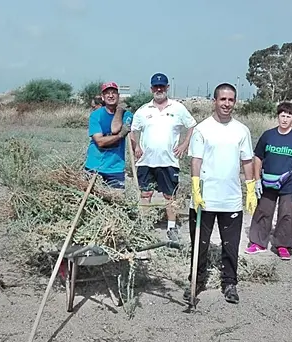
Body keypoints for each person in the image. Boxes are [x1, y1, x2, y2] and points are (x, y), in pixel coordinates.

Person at [183, 83, 258, 305]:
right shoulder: (202, 129)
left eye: (230, 100)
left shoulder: (241, 130)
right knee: (200, 244)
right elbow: (195, 160)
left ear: (235, 102)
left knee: (230, 244)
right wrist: (195, 188)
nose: (226, 104)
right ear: (214, 101)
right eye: (222, 99)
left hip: (231, 199)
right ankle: (196, 281)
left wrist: (251, 189)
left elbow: (247, 161)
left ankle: (229, 283)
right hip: (204, 198)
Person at [130, 72, 197, 241]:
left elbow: (192, 126)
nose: (159, 89)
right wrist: (136, 145)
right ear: (151, 88)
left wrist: (184, 144)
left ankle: (171, 228)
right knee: (146, 194)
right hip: (146, 161)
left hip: (169, 161)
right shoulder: (143, 110)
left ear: (167, 87)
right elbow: (132, 130)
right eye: (156, 86)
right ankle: (144, 227)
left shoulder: (178, 108)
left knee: (169, 196)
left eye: (162, 86)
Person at [244, 101, 292, 260]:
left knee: (287, 213)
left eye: (288, 116)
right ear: (278, 116)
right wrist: (257, 179)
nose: (285, 119)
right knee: (263, 211)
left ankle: (283, 245)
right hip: (268, 181)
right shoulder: (268, 135)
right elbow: (258, 157)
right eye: (282, 115)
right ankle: (258, 243)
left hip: (289, 183)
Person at [84, 82, 134, 189]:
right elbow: (100, 142)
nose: (111, 96)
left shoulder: (127, 115)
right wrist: (120, 135)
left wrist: (119, 110)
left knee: (117, 201)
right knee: (91, 202)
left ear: (118, 96)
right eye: (107, 93)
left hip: (115, 168)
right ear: (102, 97)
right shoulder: (96, 115)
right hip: (95, 165)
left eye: (114, 93)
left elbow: (114, 128)